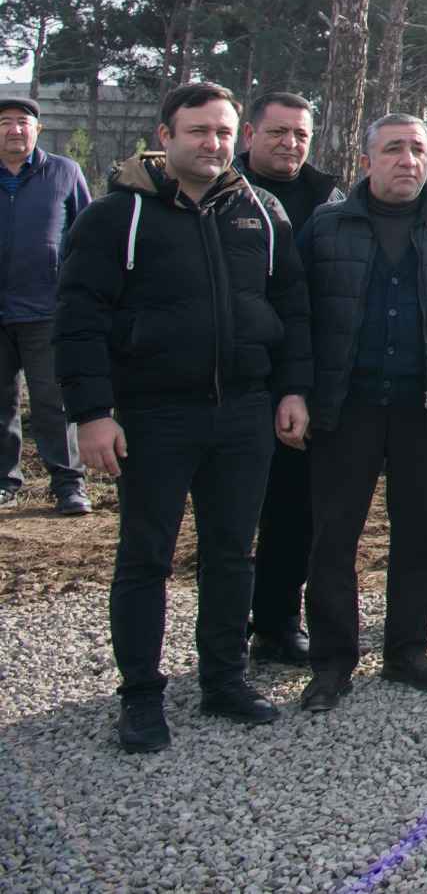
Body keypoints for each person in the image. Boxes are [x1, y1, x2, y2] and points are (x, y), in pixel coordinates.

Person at [54, 82, 312, 753]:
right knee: (147, 556)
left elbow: (293, 310)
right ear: (165, 135)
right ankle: (141, 696)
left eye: (224, 131)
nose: (214, 143)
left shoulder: (260, 211)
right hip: (153, 414)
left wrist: (293, 391)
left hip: (245, 414)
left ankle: (224, 679)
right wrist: (91, 413)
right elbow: (79, 320)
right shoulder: (117, 216)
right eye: (199, 130)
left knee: (232, 552)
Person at [296, 115, 427, 711]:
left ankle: (406, 650)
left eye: (417, 150)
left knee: (417, 536)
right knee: (335, 538)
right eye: (393, 150)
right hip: (345, 408)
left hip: (424, 408)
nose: (407, 160)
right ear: (366, 161)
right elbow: (298, 315)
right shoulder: (327, 226)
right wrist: (297, 393)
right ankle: (332, 660)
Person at [236, 89, 343, 665]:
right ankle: (225, 632)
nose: (291, 144)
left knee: (293, 511)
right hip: (236, 376)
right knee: (232, 520)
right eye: (278, 133)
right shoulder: (219, 191)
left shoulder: (328, 200)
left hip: (306, 376)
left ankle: (278, 622)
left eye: (301, 134)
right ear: (249, 136)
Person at [0, 92, 91, 516]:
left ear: (37, 129)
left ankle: (69, 485)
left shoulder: (64, 172)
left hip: (46, 309)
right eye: (5, 123)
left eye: (23, 122)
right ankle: (5, 482)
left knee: (52, 400)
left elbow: (86, 238)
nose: (14, 130)